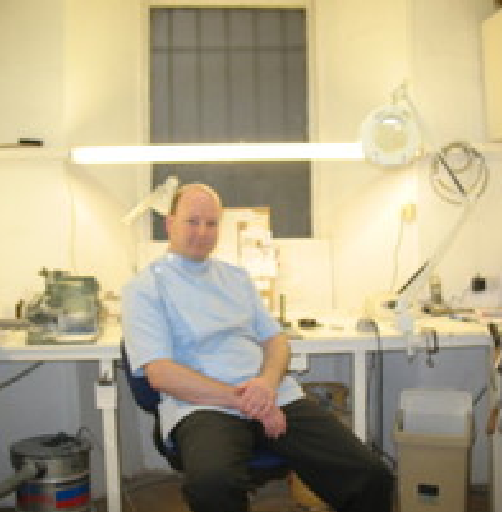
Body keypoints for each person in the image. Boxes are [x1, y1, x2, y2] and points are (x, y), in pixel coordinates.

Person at [121, 183, 394, 512]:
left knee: (371, 474)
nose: (202, 232)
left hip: (273, 397)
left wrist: (265, 385)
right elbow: (161, 374)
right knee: (213, 485)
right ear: (169, 223)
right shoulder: (145, 287)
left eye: (211, 223)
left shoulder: (236, 278)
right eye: (192, 221)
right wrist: (248, 401)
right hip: (203, 405)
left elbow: (276, 341)